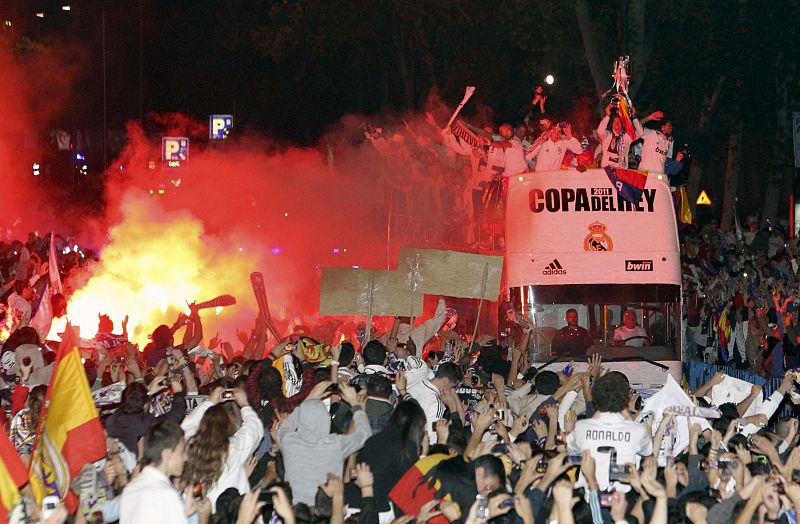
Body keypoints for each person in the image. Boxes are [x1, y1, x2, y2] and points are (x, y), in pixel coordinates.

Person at [277, 382, 371, 505]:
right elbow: (365, 435)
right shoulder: (335, 444)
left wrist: (309, 399)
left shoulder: (288, 442)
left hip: (296, 508)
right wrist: (355, 405)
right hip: (326, 509)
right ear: (326, 419)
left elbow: (285, 426)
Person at [566, 371, 653, 491]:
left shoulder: (581, 427)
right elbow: (648, 453)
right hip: (623, 497)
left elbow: (572, 452)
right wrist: (628, 416)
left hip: (588, 496)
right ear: (626, 398)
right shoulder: (637, 430)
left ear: (596, 396)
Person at [180, 386, 264, 509]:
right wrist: (244, 405)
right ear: (229, 426)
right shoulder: (234, 448)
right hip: (225, 513)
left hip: (195, 513)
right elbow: (255, 430)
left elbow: (187, 425)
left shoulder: (190, 444)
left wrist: (210, 402)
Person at [120, 419, 211, 524]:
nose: (185, 458)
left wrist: (184, 512)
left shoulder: (131, 488)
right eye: (182, 452)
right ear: (167, 454)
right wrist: (204, 516)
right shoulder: (166, 495)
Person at [404, 358, 462, 444]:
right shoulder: (436, 405)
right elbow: (432, 440)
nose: (453, 391)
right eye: (453, 387)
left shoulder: (417, 380)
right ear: (445, 381)